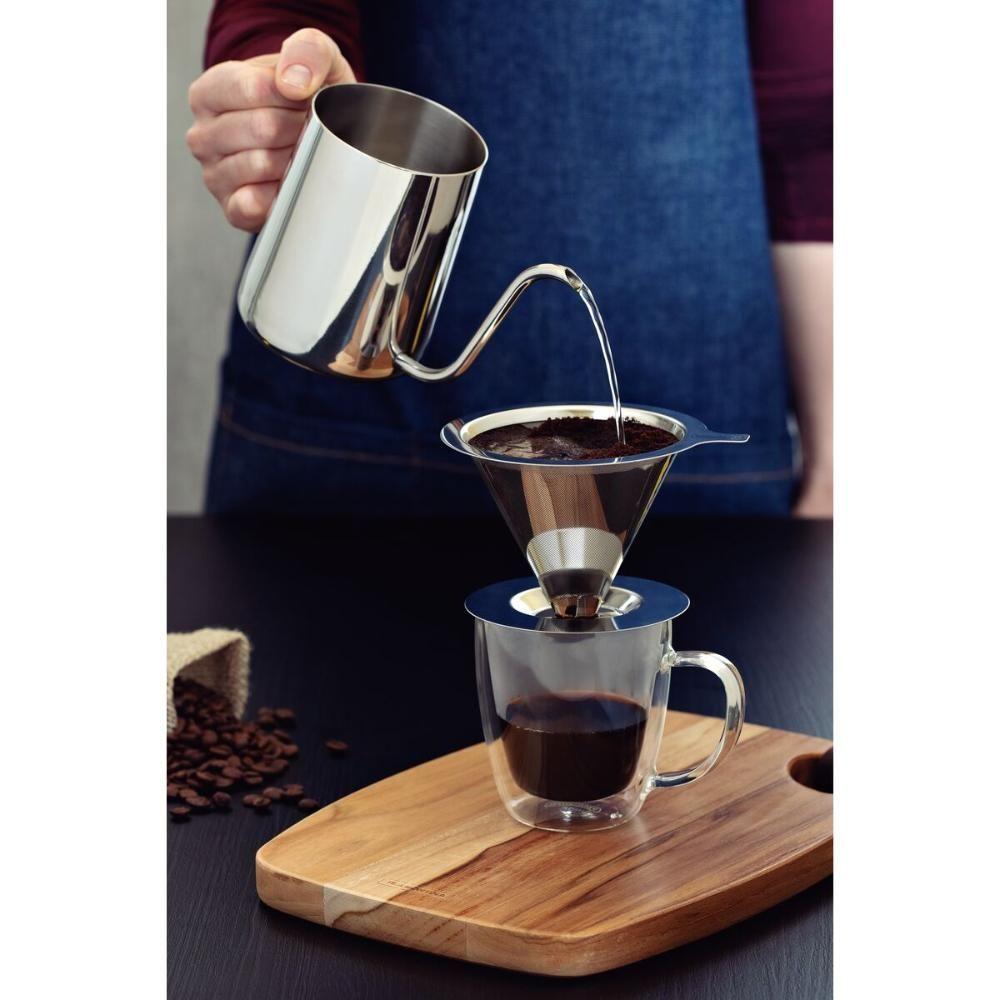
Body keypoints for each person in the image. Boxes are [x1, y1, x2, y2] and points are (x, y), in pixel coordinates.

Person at [186, 0, 832, 517]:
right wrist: (270, 94)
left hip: (685, 464)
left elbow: (810, 128)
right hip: (351, 443)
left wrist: (838, 463)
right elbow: (282, 15)